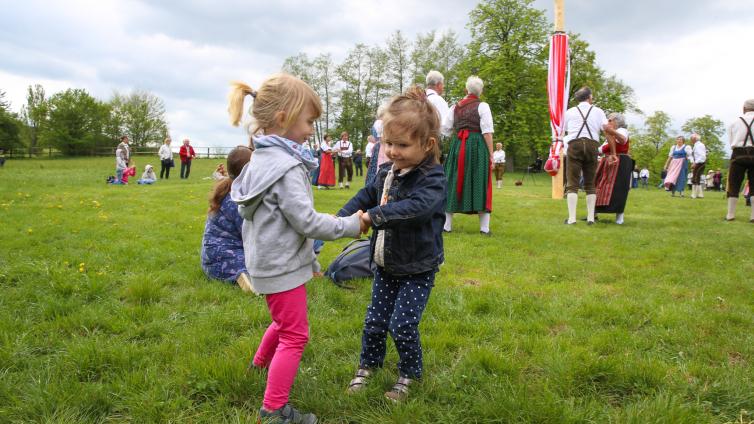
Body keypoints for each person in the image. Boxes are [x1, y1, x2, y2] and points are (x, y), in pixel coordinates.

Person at [227, 74, 363, 424]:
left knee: (282, 321)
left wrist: (309, 259)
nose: (310, 131)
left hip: (267, 263)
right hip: (280, 267)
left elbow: (283, 225)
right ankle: (274, 410)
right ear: (285, 118)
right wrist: (351, 225)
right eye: (309, 121)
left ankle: (259, 365)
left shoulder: (259, 160)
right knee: (295, 334)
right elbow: (307, 222)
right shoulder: (286, 168)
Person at [339, 86, 446, 402]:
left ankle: (409, 374)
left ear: (427, 145)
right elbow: (366, 195)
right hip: (385, 263)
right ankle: (367, 366)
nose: (393, 151)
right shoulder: (387, 171)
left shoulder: (432, 178)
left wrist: (374, 216)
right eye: (388, 143)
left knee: (402, 324)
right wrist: (339, 221)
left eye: (402, 144)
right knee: (374, 321)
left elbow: (416, 209)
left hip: (417, 267)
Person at [441, 76, 495, 235]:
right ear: (481, 91)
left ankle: (447, 226)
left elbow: (445, 129)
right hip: (477, 146)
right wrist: (491, 155)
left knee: (452, 179)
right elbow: (487, 133)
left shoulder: (454, 107)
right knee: (480, 180)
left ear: (466, 90)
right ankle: (484, 229)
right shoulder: (483, 106)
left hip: (458, 145)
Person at [561, 86, 618, 225]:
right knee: (590, 183)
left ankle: (572, 219)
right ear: (590, 97)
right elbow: (608, 131)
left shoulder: (569, 112)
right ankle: (591, 218)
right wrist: (613, 153)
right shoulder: (598, 111)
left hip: (575, 145)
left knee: (572, 183)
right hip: (593, 145)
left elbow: (565, 130)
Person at [201, 146, 254, 289]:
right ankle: (245, 280)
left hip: (212, 258)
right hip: (222, 261)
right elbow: (250, 235)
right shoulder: (236, 201)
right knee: (262, 266)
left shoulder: (230, 188)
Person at [594, 113, 632, 224]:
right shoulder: (608, 137)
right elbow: (601, 150)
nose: (608, 122)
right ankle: (593, 214)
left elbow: (622, 140)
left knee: (619, 189)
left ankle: (619, 217)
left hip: (620, 162)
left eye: (610, 120)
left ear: (617, 121)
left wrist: (611, 131)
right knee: (598, 186)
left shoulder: (622, 130)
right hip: (606, 162)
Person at [724, 99, 754, 222]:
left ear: (744, 108)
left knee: (734, 184)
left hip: (738, 154)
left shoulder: (734, 122)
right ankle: (753, 216)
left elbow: (731, 142)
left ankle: (730, 215)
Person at [689, 133, 707, 199]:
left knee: (695, 178)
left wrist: (695, 163)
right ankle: (700, 194)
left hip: (700, 163)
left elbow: (702, 156)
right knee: (697, 178)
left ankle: (694, 194)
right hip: (699, 163)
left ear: (695, 139)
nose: (690, 139)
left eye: (691, 138)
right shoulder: (696, 145)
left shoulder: (699, 145)